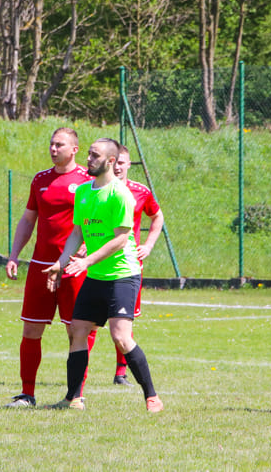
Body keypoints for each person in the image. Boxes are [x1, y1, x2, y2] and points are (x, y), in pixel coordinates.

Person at [45, 138, 163, 412]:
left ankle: (152, 396)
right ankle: (72, 398)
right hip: (96, 274)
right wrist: (60, 263)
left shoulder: (120, 194)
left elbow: (121, 239)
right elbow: (77, 233)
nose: (88, 159)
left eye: (95, 156)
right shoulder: (84, 192)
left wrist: (86, 262)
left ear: (111, 161)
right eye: (88, 154)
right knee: (78, 331)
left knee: (120, 337)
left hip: (122, 274)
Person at [4, 128, 96, 408]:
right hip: (40, 267)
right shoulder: (40, 179)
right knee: (31, 330)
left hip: (74, 268)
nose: (53, 149)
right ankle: (27, 394)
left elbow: (98, 222)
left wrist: (87, 249)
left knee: (76, 332)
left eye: (60, 144)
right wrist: (14, 254)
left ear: (75, 149)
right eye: (51, 144)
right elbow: (28, 219)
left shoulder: (88, 181)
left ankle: (75, 395)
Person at [111, 145, 165, 385]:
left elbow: (157, 217)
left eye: (121, 162)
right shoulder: (95, 190)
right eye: (113, 162)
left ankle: (121, 373)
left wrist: (149, 245)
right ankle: (81, 375)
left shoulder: (140, 192)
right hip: (97, 262)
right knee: (87, 323)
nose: (117, 166)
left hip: (128, 266)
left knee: (125, 320)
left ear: (128, 164)